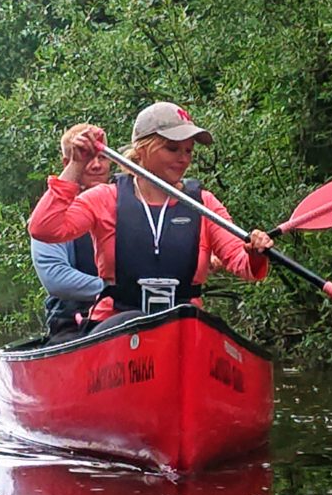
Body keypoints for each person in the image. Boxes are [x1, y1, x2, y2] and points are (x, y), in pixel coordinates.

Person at [28, 101, 274, 327]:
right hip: (114, 327)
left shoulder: (203, 203)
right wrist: (76, 165)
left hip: (184, 327)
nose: (183, 159)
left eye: (188, 151)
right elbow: (43, 229)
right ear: (143, 150)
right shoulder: (104, 198)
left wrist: (254, 253)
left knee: (197, 324)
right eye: (172, 148)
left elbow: (246, 267)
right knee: (133, 321)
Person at [31, 123, 111, 339]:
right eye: (87, 158)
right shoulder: (53, 214)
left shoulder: (126, 202)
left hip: (124, 315)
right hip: (72, 322)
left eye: (102, 158)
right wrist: (114, 290)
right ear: (68, 163)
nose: (96, 165)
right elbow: (55, 277)